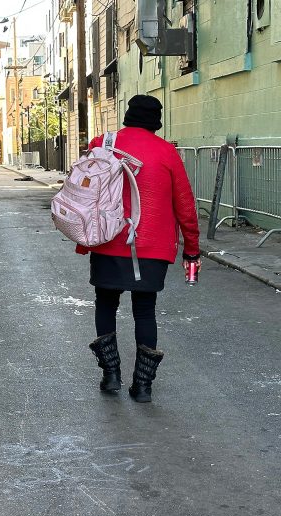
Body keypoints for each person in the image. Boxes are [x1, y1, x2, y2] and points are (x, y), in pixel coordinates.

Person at [79, 95, 200, 403]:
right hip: (152, 247)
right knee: (145, 312)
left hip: (108, 240)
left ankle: (111, 376)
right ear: (156, 122)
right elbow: (185, 205)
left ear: (127, 117)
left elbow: (84, 189)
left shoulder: (102, 143)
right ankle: (143, 387)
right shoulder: (167, 152)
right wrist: (192, 249)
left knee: (105, 304)